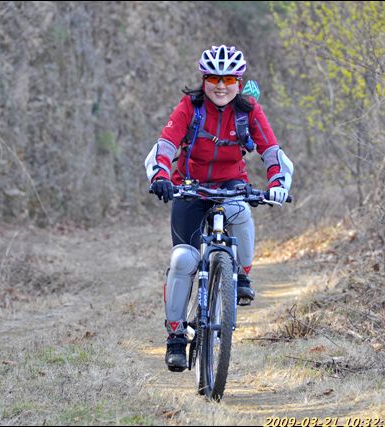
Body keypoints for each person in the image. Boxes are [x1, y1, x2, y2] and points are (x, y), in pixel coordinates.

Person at [144, 45, 294, 372]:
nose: (221, 86)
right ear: (204, 80)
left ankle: (241, 276)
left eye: (228, 79)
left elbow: (271, 150)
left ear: (239, 82)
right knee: (183, 259)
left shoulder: (248, 111)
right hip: (189, 185)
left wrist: (278, 184)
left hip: (231, 184)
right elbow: (165, 145)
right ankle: (175, 337)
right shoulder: (190, 107)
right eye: (214, 78)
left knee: (240, 212)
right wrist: (160, 177)